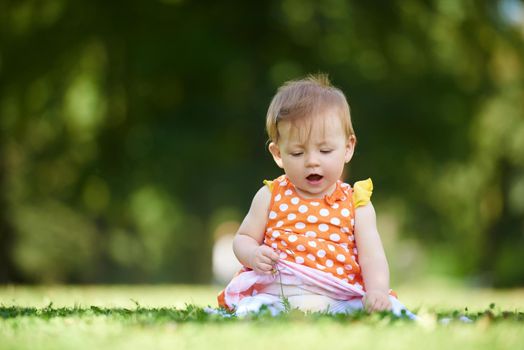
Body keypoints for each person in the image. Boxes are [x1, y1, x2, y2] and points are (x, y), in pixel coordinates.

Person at [217, 74, 414, 318]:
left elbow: (372, 256)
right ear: (278, 154)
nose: (312, 161)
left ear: (348, 148)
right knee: (251, 311)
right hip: (278, 293)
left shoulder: (357, 204)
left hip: (337, 295)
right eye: (298, 153)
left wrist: (377, 291)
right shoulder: (270, 195)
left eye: (325, 150)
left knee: (392, 312)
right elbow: (243, 238)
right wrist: (253, 254)